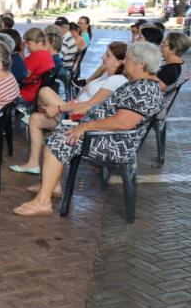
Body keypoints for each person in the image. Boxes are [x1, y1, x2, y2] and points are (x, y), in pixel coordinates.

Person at [14, 42, 164, 216]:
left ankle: (43, 202)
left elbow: (123, 122)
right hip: (106, 135)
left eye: (128, 59)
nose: (124, 62)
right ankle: (52, 187)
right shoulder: (139, 84)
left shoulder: (144, 89)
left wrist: (85, 126)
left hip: (114, 143)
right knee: (59, 134)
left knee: (60, 141)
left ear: (140, 64)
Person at [10, 42, 128, 175]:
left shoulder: (116, 80)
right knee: (35, 118)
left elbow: (91, 104)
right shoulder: (107, 75)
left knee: (45, 92)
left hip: (79, 117)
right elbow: (87, 89)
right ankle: (33, 163)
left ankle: (53, 123)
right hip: (73, 111)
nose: (103, 57)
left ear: (119, 62)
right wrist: (98, 74)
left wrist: (59, 108)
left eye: (107, 55)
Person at [19, 28, 54, 106]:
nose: (26, 46)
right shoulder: (48, 54)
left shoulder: (36, 56)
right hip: (36, 92)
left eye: (29, 43)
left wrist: (20, 52)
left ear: (39, 42)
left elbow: (21, 75)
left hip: (26, 94)